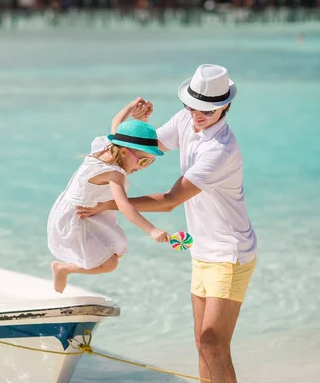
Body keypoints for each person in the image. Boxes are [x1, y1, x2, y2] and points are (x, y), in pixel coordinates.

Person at [77, 65, 257, 383]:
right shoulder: (186, 120)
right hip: (202, 249)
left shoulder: (220, 151)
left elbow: (170, 200)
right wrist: (134, 126)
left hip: (229, 252)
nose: (196, 114)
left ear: (224, 106)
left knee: (213, 343)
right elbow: (141, 154)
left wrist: (112, 204)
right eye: (192, 106)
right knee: (202, 344)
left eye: (205, 109)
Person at [48, 98, 170, 293]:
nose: (142, 167)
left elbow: (116, 122)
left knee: (115, 251)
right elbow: (125, 206)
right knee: (110, 263)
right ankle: (63, 268)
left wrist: (131, 107)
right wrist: (152, 230)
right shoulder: (114, 173)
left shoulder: (106, 146)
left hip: (91, 211)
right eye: (143, 161)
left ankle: (63, 268)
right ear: (123, 152)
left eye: (149, 162)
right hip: (77, 217)